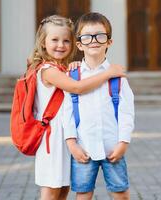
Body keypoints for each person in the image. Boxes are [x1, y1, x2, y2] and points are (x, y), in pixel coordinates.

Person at [28, 15, 125, 200]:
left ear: (74, 44)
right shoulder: (47, 70)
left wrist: (74, 67)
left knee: (64, 187)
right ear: (43, 42)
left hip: (69, 134)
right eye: (54, 40)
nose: (61, 45)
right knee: (51, 188)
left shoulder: (64, 68)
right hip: (53, 137)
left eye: (66, 40)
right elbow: (77, 87)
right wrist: (108, 73)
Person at [63, 12, 135, 200]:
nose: (94, 40)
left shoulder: (118, 77)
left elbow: (127, 113)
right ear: (79, 44)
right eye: (87, 37)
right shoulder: (73, 76)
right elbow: (66, 113)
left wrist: (123, 143)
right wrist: (72, 144)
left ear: (109, 42)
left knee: (121, 192)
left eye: (100, 36)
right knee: (84, 193)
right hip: (84, 146)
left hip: (112, 146)